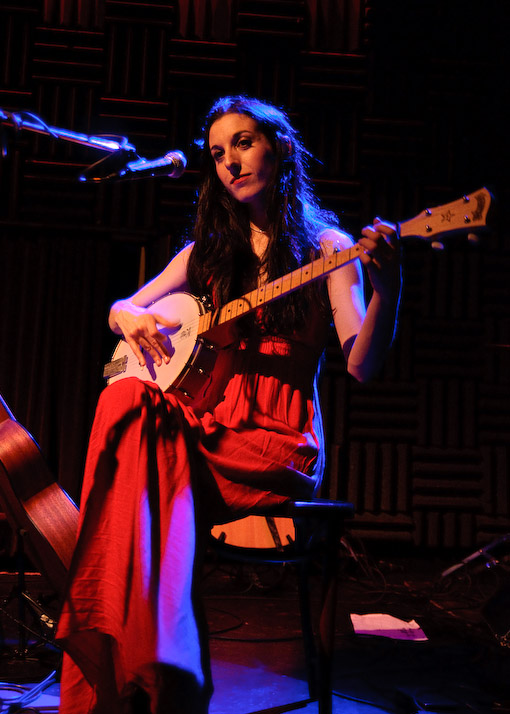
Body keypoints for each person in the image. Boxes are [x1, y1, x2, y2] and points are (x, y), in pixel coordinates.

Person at [56, 95, 402, 714]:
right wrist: (132, 317)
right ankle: (159, 667)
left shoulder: (328, 247)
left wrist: (387, 288)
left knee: (137, 443)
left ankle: (136, 673)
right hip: (205, 429)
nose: (229, 163)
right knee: (129, 399)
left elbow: (362, 364)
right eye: (217, 153)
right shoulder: (207, 255)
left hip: (273, 442)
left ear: (282, 148)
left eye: (243, 143)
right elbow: (121, 310)